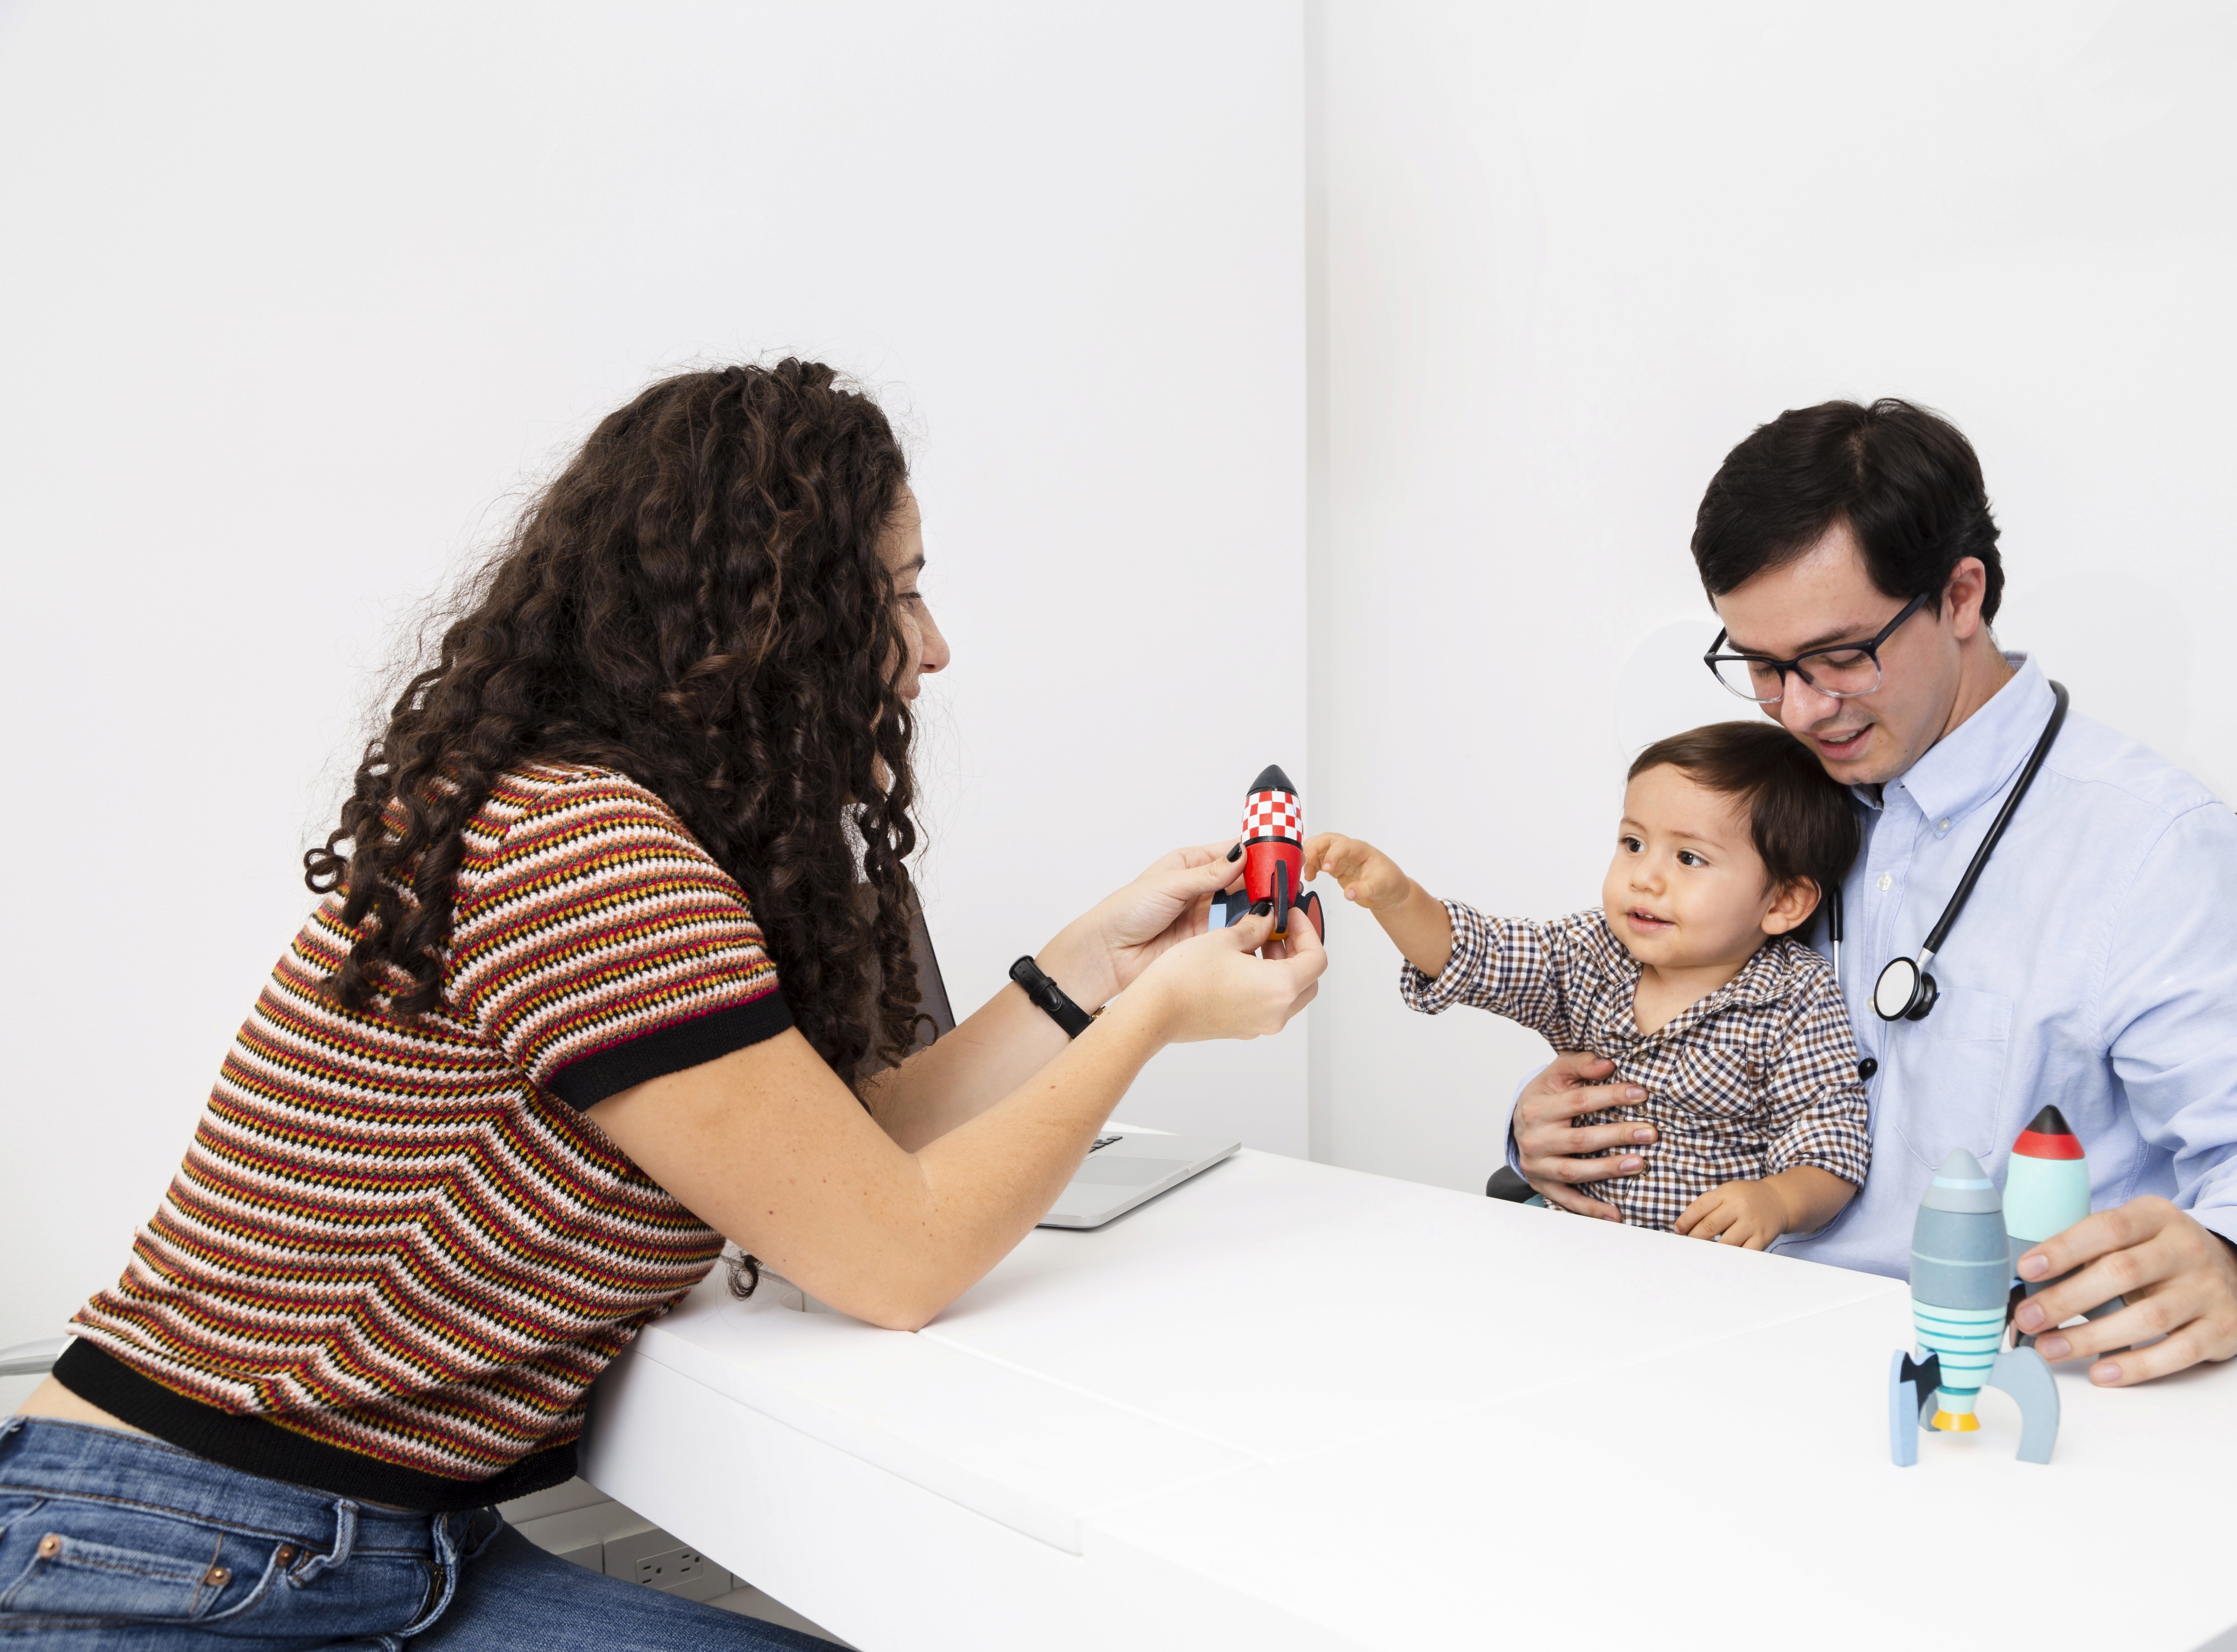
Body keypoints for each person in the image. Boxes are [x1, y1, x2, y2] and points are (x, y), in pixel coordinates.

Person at [3, 360, 1324, 1648]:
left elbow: (858, 1159)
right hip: (193, 1546)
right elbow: (896, 1261)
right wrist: (1158, 1025)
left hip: (352, 1541)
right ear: (773, 617)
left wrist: (1094, 971)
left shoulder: (573, 816)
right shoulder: (587, 853)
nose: (932, 649)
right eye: (901, 596)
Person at [1509, 399, 2237, 1386]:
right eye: (1761, 665)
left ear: (1960, 595)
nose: (1800, 709)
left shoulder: (2155, 852)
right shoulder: (1752, 811)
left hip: (1994, 1389)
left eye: (1842, 657)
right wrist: (1558, 1132)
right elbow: (1649, 1031)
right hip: (1709, 1342)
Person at [1307, 723, 1869, 1249]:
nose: (1645, 876)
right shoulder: (1592, 951)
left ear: (1783, 902)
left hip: (1706, 1273)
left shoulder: (1795, 993)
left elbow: (1830, 1146)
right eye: (1633, 844)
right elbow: (1479, 954)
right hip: (1576, 1250)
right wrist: (1400, 900)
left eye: (1689, 857)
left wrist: (1777, 1200)